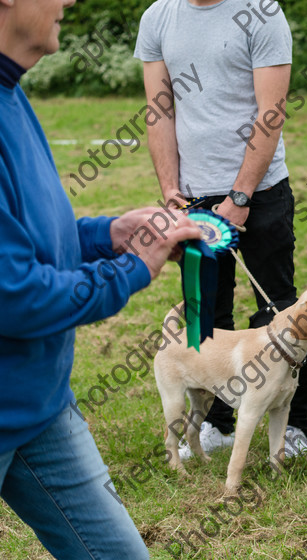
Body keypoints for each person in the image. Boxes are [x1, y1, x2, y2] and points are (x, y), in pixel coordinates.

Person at [0, 0, 202, 556]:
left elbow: (28, 236)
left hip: (41, 408)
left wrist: (106, 233)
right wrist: (132, 267)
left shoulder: (11, 93)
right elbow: (14, 296)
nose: (68, 1)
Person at [134, 0, 307, 459]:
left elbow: (270, 111)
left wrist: (240, 196)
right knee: (204, 315)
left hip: (262, 192)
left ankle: (295, 425)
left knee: (277, 310)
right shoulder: (158, 17)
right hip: (194, 200)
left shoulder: (263, 12)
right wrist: (171, 188)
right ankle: (214, 423)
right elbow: (160, 112)